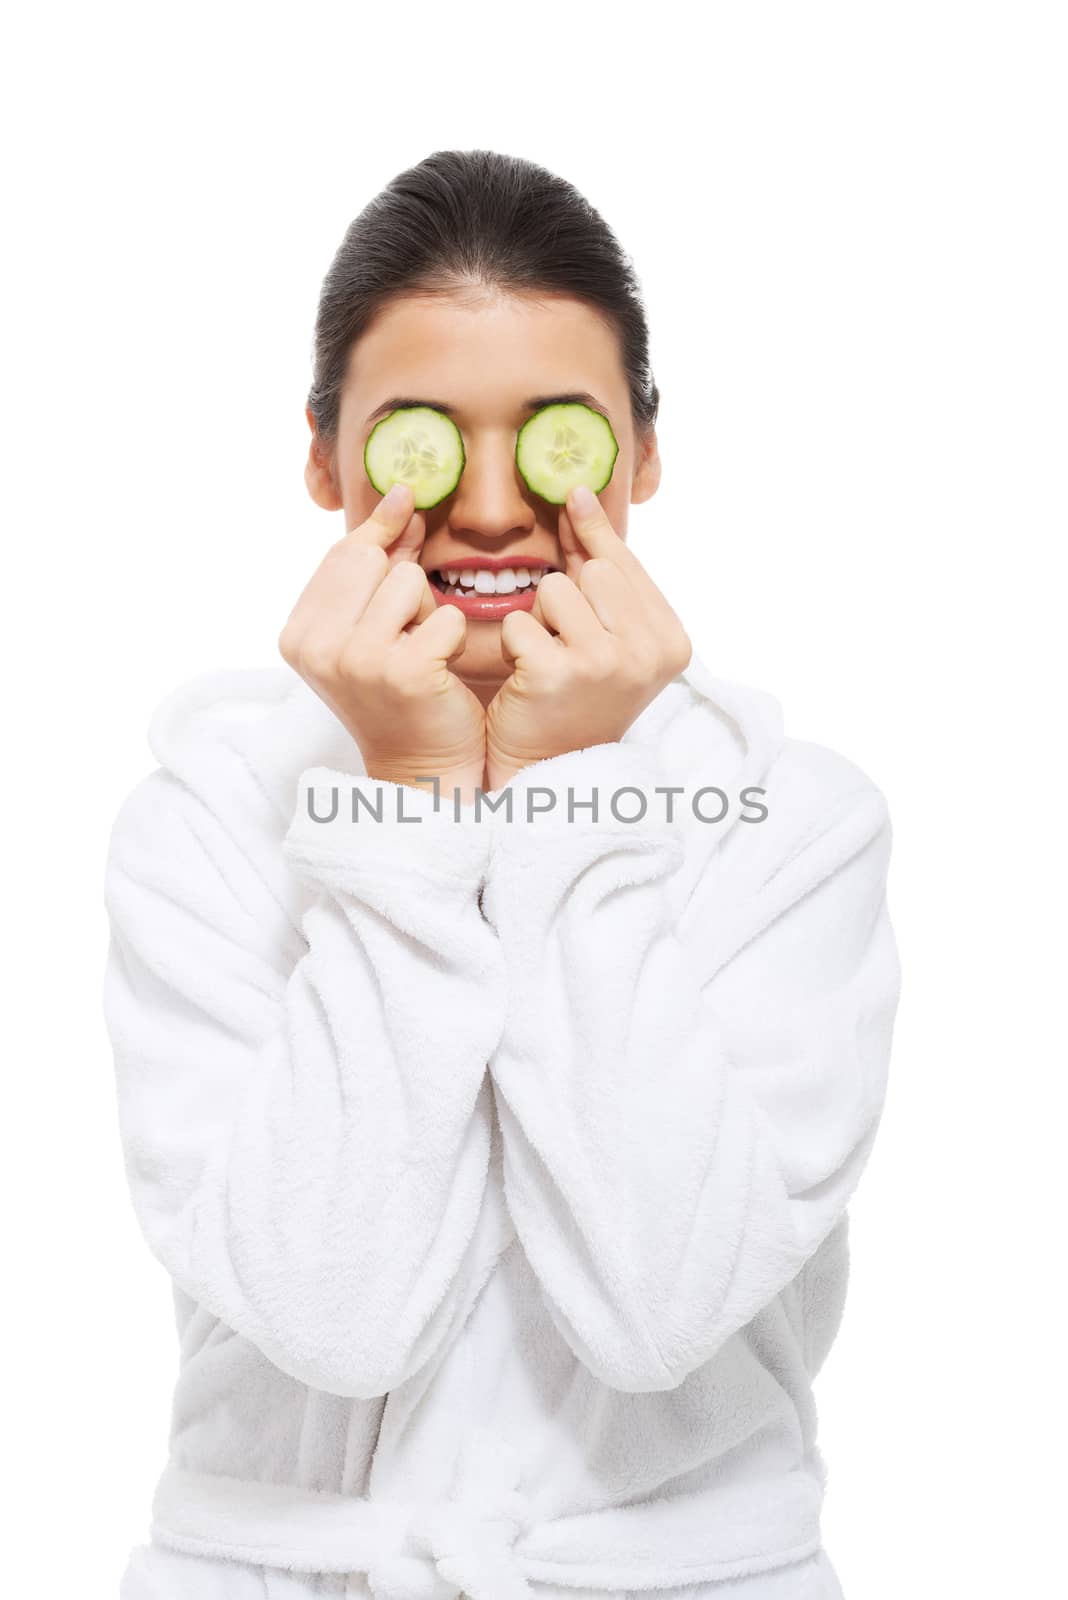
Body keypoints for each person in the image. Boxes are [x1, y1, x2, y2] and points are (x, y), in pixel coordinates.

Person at [102, 148, 901, 1600]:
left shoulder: (796, 824)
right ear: (324, 457)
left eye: (556, 438)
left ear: (642, 456)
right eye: (419, 437)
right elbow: (332, 1314)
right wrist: (404, 802)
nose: (482, 509)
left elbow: (658, 1305)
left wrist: (566, 793)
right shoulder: (203, 824)